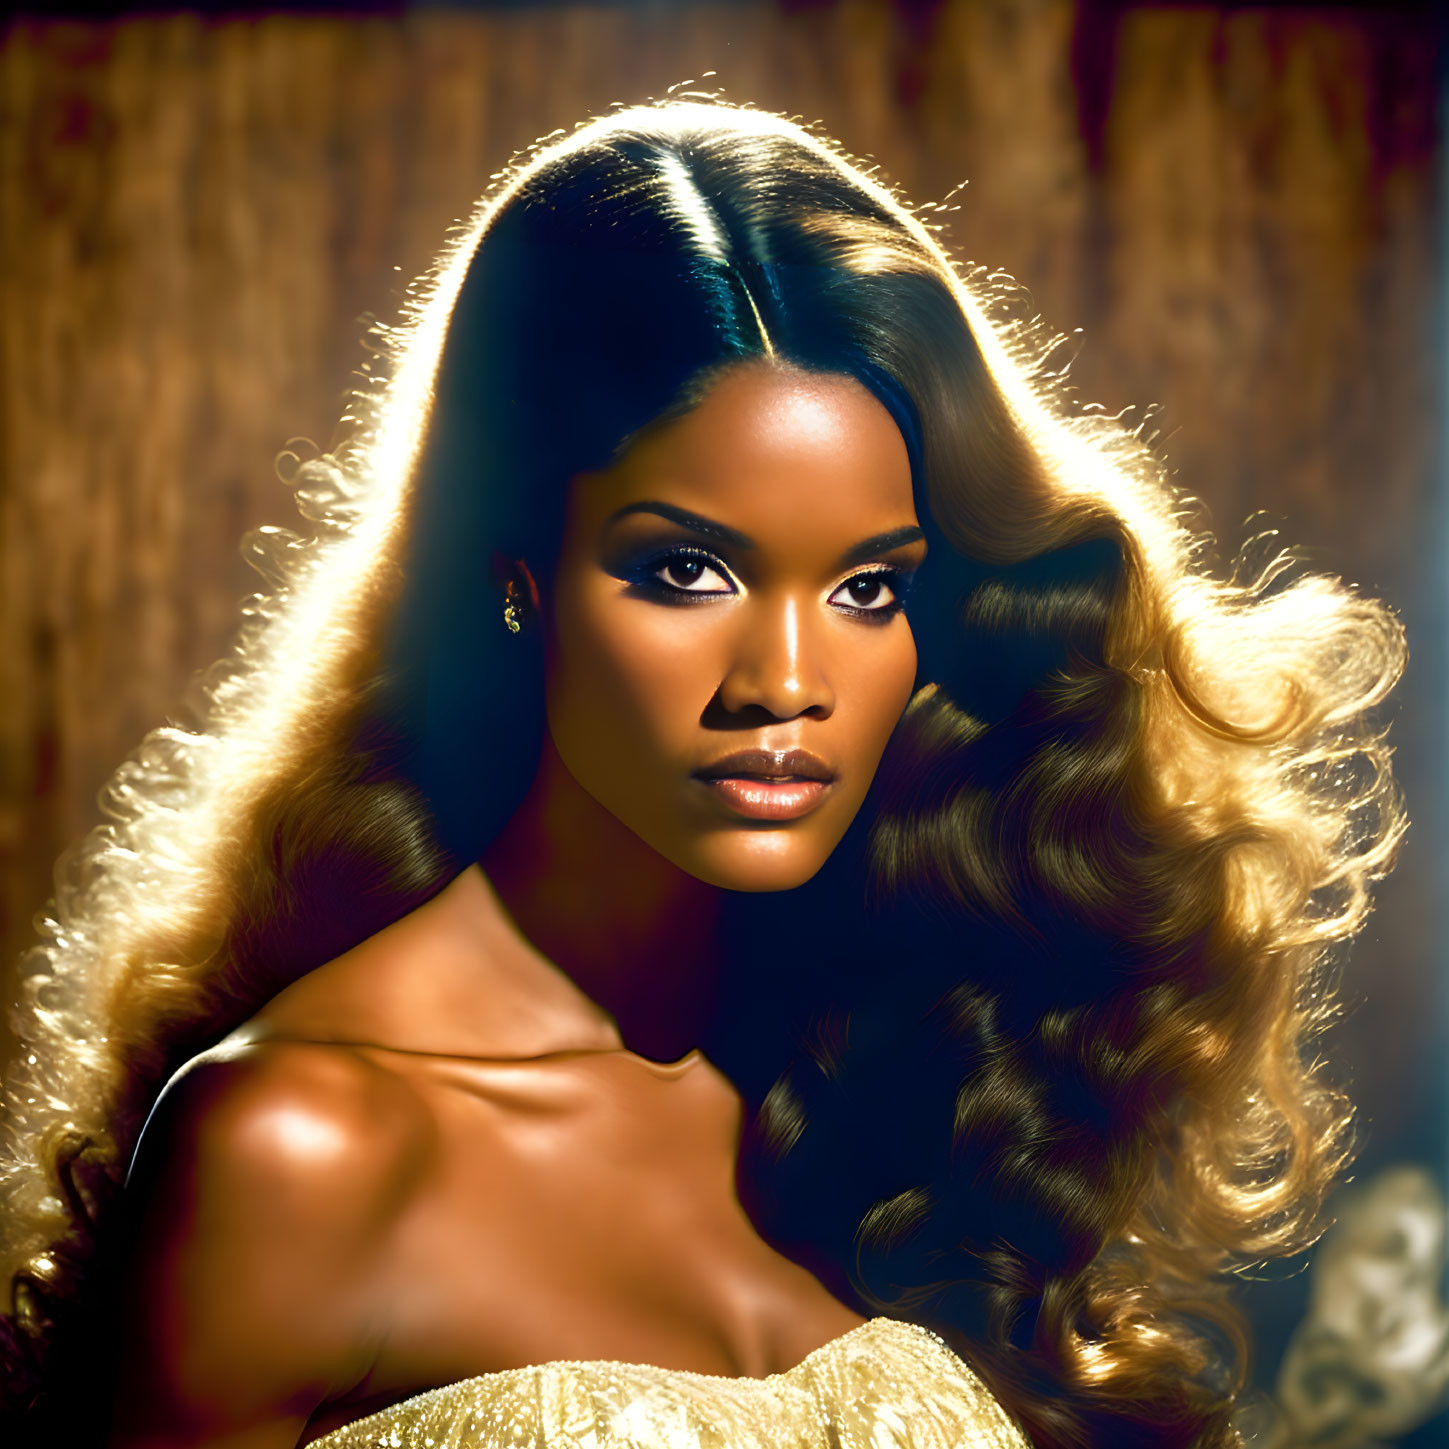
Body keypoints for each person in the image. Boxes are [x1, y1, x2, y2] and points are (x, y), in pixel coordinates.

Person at [0, 98, 1405, 1449]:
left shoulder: (907, 1082)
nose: (783, 678)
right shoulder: (303, 1149)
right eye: (687, 568)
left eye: (866, 586)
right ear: (516, 572)